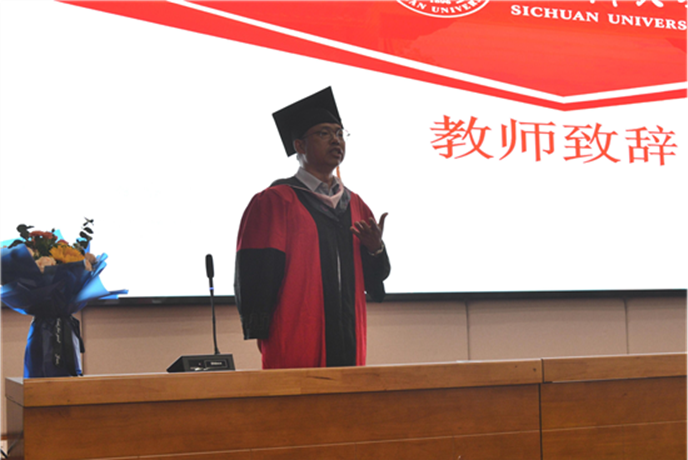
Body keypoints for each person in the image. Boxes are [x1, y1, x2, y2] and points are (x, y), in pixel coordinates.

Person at [234, 87, 391, 369]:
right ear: (300, 146)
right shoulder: (275, 201)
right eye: (324, 133)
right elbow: (256, 273)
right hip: (296, 334)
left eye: (340, 133)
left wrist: (375, 249)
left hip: (349, 336)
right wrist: (260, 327)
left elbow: (373, 283)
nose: (336, 140)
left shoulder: (355, 204)